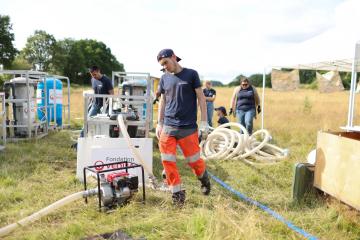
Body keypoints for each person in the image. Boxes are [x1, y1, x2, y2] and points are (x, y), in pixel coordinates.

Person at [156, 49, 211, 205]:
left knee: (194, 161)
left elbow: (201, 98)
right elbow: (162, 101)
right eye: (162, 65)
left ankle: (204, 178)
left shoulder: (191, 74)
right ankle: (177, 193)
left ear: (174, 57)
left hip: (188, 128)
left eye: (166, 62)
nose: (165, 67)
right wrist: (159, 123)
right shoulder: (164, 78)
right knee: (167, 161)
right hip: (168, 126)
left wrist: (204, 122)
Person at [79, 66, 114, 138]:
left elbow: (112, 94)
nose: (93, 76)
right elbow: (95, 90)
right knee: (87, 122)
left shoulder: (106, 80)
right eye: (92, 75)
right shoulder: (93, 80)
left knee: (104, 125)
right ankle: (81, 140)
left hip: (105, 106)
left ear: (99, 71)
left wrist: (107, 105)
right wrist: (92, 98)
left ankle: (106, 140)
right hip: (95, 105)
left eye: (95, 74)